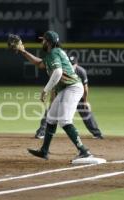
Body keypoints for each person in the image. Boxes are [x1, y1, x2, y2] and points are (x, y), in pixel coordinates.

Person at [10, 30, 92, 160]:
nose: (42, 42)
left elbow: (58, 72)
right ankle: (44, 151)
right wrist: (23, 51)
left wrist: (46, 89)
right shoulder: (53, 54)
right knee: (51, 118)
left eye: (43, 40)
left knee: (65, 121)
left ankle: (84, 151)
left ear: (48, 42)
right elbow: (39, 63)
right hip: (67, 88)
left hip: (71, 88)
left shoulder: (54, 53)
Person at [35, 56, 104, 140]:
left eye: (73, 64)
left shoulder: (81, 71)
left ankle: (97, 133)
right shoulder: (61, 70)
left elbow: (85, 88)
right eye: (70, 64)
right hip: (61, 93)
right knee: (50, 112)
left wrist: (85, 101)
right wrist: (52, 100)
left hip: (75, 94)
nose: (71, 66)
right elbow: (54, 87)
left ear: (77, 64)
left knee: (85, 110)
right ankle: (41, 132)